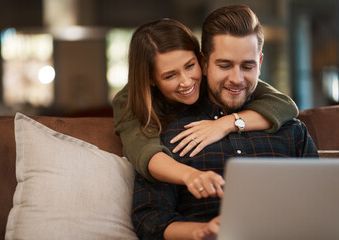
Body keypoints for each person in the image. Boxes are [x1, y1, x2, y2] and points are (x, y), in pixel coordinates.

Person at [131, 4, 318, 240]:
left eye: (247, 66)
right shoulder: (170, 133)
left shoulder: (292, 132)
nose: (236, 79)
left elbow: (322, 207)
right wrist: (201, 231)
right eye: (225, 65)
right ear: (204, 62)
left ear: (260, 63)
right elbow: (149, 219)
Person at [113, 19, 299, 199]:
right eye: (170, 76)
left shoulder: (222, 80)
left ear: (202, 61)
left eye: (190, 66)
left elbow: (284, 105)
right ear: (150, 79)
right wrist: (192, 176)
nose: (186, 82)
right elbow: (146, 153)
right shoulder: (130, 99)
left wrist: (224, 124)